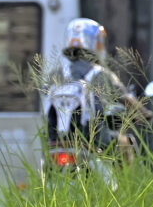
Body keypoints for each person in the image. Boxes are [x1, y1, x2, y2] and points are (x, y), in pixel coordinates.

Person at [46, 18, 145, 161]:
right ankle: (125, 183)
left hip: (56, 139)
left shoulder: (56, 74)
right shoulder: (102, 74)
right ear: (96, 42)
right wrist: (145, 114)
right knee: (125, 144)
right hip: (94, 139)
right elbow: (127, 100)